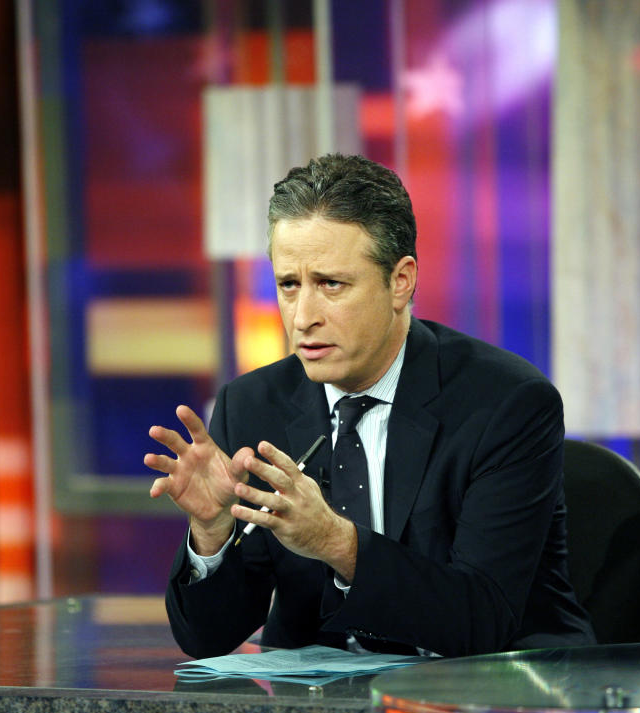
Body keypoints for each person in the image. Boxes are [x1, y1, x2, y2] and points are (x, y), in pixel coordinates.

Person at [145, 153, 594, 659]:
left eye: (331, 284)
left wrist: (339, 544)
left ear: (400, 281)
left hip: (496, 695)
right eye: (289, 285)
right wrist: (211, 534)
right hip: (325, 705)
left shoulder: (505, 404)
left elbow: (482, 620)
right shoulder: (251, 405)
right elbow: (208, 639)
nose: (303, 316)